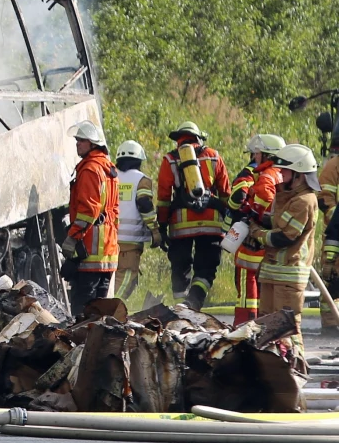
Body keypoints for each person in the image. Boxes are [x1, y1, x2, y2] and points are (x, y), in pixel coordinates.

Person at [251, 143, 320, 359]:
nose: (279, 175)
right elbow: (276, 221)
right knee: (266, 323)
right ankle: (270, 364)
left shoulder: (304, 201)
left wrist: (256, 233)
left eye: (284, 171)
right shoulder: (289, 198)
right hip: (273, 272)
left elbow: (284, 236)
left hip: (288, 275)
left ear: (298, 174)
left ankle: (295, 364)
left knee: (287, 327)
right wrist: (253, 217)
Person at [156, 121, 231, 310]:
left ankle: (180, 309)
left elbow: (164, 198)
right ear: (198, 137)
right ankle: (195, 300)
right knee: (206, 267)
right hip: (211, 225)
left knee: (180, 267)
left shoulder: (170, 159)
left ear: (178, 140)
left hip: (181, 226)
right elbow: (225, 194)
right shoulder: (213, 156)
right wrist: (228, 220)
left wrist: (162, 227)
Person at [61, 121, 120, 316]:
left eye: (81, 141)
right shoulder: (109, 169)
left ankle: (80, 344)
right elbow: (114, 211)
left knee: (82, 311)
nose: (77, 144)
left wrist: (72, 237)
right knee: (101, 311)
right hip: (108, 252)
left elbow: (88, 211)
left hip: (89, 252)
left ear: (92, 144)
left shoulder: (89, 170)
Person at [226, 134, 284, 324]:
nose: (254, 158)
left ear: (266, 155)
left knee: (247, 285)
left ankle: (244, 323)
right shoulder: (283, 173)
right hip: (269, 240)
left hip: (253, 243)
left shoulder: (265, 174)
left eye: (257, 154)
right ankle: (261, 323)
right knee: (264, 287)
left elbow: (260, 197)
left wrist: (252, 212)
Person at [113, 140, 161, 300]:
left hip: (108, 240)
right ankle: (108, 311)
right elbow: (144, 204)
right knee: (126, 280)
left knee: (110, 281)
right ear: (139, 160)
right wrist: (154, 230)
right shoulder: (142, 180)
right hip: (130, 242)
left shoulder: (111, 177)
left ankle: (103, 311)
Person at [318, 138, 339, 335]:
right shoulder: (334, 166)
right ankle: (331, 325)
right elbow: (324, 199)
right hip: (337, 234)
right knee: (332, 279)